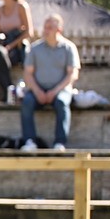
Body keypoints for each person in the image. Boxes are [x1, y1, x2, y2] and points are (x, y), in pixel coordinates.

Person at [20, 13, 80, 151]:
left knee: (62, 103)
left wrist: (54, 91)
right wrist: (37, 91)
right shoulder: (35, 48)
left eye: (49, 28)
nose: (45, 31)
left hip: (61, 90)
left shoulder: (69, 48)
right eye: (45, 27)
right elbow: (28, 74)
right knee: (27, 102)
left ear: (59, 30)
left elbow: (72, 74)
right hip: (37, 89)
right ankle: (29, 141)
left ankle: (60, 142)